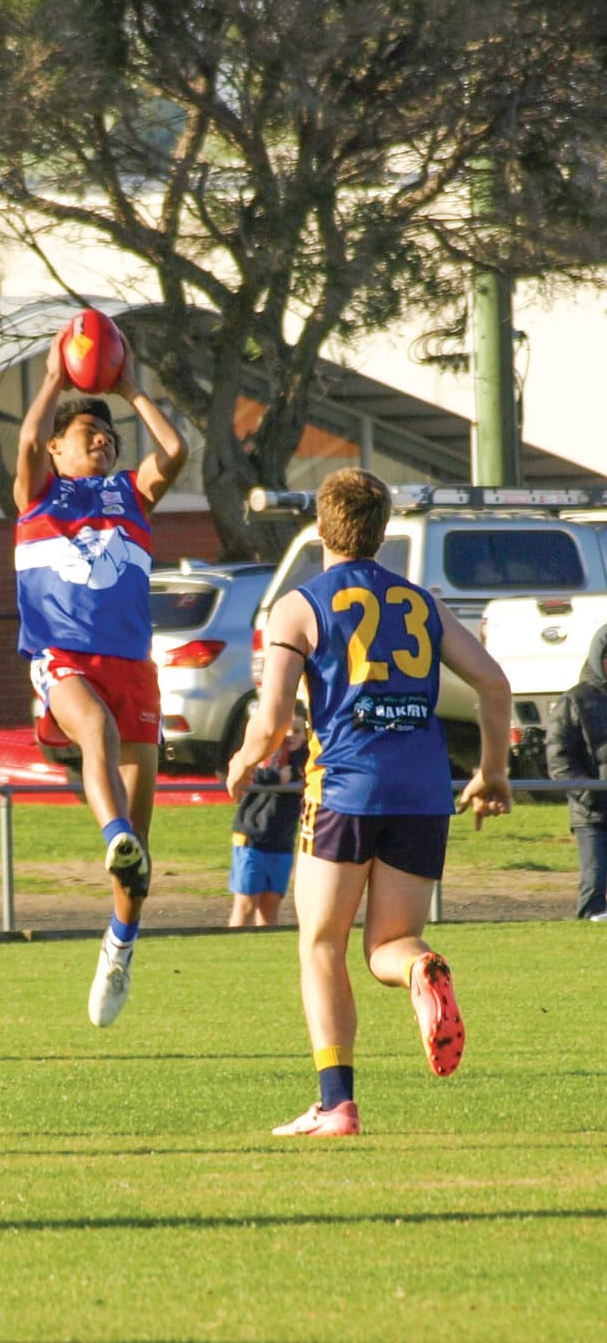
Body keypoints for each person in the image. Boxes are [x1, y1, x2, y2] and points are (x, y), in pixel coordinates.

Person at [226, 467, 513, 1138]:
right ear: (381, 533)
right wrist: (493, 773)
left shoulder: (298, 606)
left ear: (320, 527)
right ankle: (421, 969)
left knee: (320, 945)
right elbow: (493, 684)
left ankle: (337, 1106)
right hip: (422, 791)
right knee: (389, 942)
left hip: (346, 790)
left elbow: (271, 722)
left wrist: (242, 759)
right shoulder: (420, 601)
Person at [13, 322, 188, 1027]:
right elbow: (25, 444)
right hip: (63, 655)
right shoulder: (38, 494)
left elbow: (174, 451)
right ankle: (111, 825)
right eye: (89, 432)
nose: (104, 440)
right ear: (58, 447)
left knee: (137, 864)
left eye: (108, 434)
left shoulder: (129, 496)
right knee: (95, 730)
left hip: (131, 665)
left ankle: (119, 946)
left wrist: (131, 389)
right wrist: (57, 377)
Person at [544, 622, 607, 921]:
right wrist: (593, 794)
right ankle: (585, 929)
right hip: (592, 815)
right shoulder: (574, 701)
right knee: (594, 887)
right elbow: (559, 762)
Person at [228, 705, 308, 928]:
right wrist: (274, 777)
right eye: (287, 729)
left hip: (282, 841)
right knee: (245, 904)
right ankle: (233, 949)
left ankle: (261, 950)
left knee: (270, 908)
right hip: (252, 837)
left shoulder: (305, 760)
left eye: (297, 730)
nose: (291, 735)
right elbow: (240, 771)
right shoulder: (262, 753)